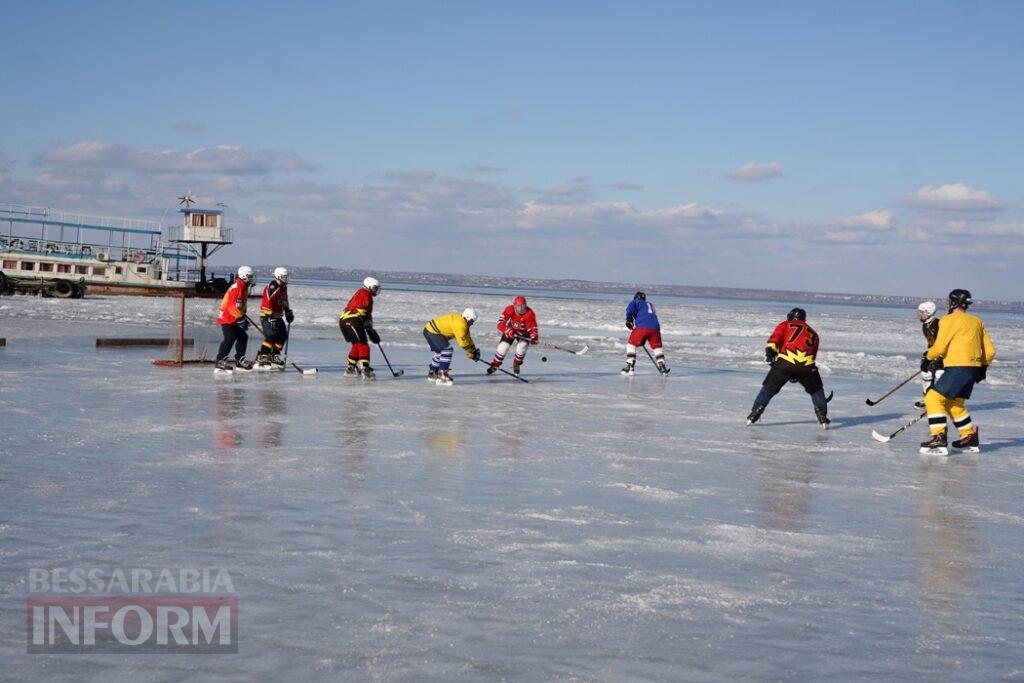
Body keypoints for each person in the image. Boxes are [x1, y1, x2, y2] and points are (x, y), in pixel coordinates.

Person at [920, 289, 996, 454]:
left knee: (933, 398)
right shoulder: (977, 321)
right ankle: (969, 436)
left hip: (958, 367)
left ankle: (939, 437)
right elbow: (990, 351)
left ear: (953, 302)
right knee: (954, 403)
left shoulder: (948, 320)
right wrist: (983, 367)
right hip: (973, 369)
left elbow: (940, 347)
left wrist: (927, 357)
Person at [746, 308, 830, 428]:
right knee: (817, 391)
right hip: (807, 367)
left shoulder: (785, 325)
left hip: (785, 363)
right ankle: (822, 416)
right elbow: (812, 354)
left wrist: (770, 354)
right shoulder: (813, 333)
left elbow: (774, 341)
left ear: (790, 316)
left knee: (768, 389)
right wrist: (798, 374)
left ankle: (755, 412)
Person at [423, 308, 481, 385]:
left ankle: (433, 372)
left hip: (429, 330)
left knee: (440, 352)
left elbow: (467, 337)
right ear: (467, 317)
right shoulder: (461, 325)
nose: (472, 323)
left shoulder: (462, 322)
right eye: (472, 321)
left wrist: (473, 349)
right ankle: (442, 374)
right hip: (432, 332)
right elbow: (462, 343)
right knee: (447, 350)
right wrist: (471, 352)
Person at [214, 266, 256, 372]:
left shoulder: (243, 286)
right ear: (243, 276)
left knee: (243, 337)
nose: (251, 279)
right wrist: (241, 318)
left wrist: (242, 315)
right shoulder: (238, 287)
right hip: (228, 317)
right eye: (249, 276)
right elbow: (232, 306)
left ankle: (239, 361)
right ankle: (220, 361)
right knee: (230, 337)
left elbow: (239, 305)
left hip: (234, 317)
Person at [339, 277, 381, 380]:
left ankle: (350, 368)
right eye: (375, 288)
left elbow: (364, 314)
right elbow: (366, 314)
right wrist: (371, 331)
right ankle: (365, 369)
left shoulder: (361, 292)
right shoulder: (366, 294)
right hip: (353, 320)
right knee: (363, 345)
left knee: (357, 345)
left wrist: (370, 329)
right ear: (369, 286)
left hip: (344, 321)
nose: (376, 290)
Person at [487, 295, 539, 376]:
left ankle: (517, 364)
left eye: (523, 306)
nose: (521, 309)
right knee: (503, 347)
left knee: (522, 346)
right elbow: (500, 323)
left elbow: (533, 329)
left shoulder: (530, 314)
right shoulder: (509, 309)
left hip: (524, 334)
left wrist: (534, 336)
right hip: (511, 331)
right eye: (519, 307)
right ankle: (495, 365)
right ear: (514, 305)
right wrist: (507, 330)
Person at [256, 267, 294, 369]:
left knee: (283, 336)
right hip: (267, 315)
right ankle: (263, 356)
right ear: (278, 276)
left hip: (277, 316)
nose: (286, 279)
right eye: (284, 277)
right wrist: (270, 316)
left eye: (286, 277)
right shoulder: (273, 287)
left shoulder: (283, 286)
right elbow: (267, 301)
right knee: (271, 335)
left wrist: (287, 311)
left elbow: (284, 299)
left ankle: (274, 355)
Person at [622, 292, 669, 375]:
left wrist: (629, 320)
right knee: (657, 347)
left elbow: (629, 311)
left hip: (642, 327)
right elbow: (647, 315)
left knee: (631, 345)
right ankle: (662, 366)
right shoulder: (650, 304)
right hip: (655, 328)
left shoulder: (635, 302)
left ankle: (630, 366)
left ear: (636, 297)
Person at [916, 301, 943, 403]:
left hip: (942, 355)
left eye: (921, 312)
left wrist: (939, 356)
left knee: (940, 374)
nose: (919, 314)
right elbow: (931, 343)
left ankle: (941, 400)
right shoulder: (925, 325)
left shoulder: (939, 324)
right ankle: (928, 399)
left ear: (928, 312)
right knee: (926, 374)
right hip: (932, 353)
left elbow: (943, 342)